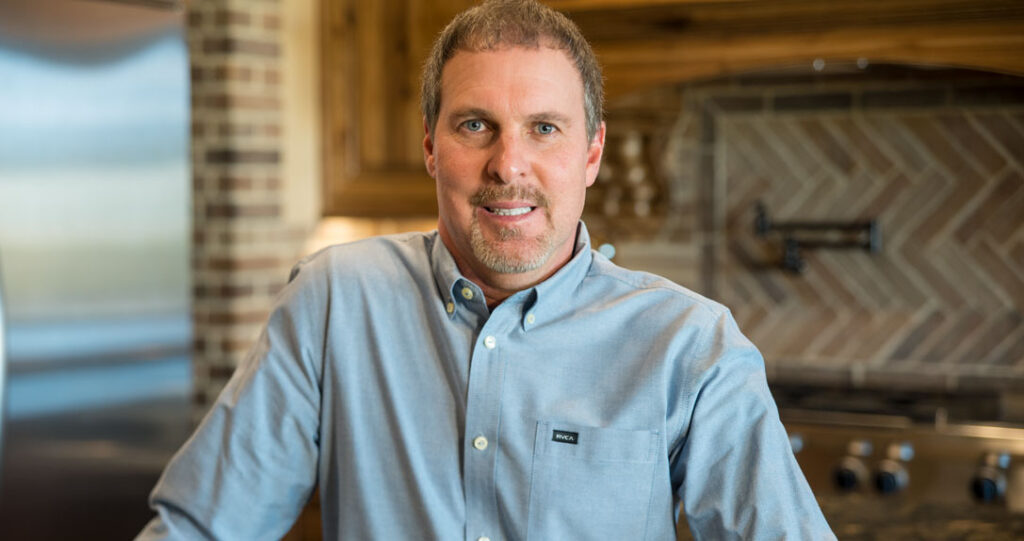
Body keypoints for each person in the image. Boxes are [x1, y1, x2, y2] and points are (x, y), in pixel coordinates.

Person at [138, 1, 835, 539]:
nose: (508, 164)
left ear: (590, 153)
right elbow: (202, 525)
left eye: (544, 127)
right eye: (476, 125)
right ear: (430, 147)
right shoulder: (336, 300)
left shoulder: (690, 344)